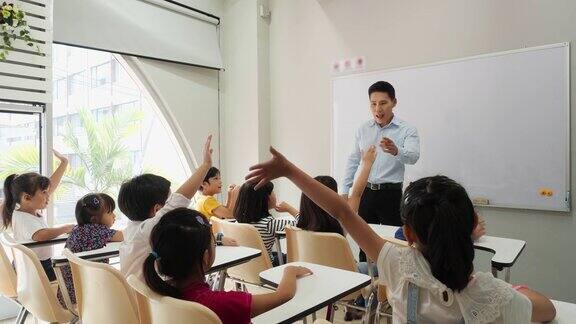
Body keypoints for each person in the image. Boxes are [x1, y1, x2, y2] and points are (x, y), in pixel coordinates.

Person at [246, 147, 556, 323]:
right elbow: (547, 309)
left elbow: (342, 212)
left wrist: (289, 170)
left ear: (407, 233)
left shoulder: (398, 266)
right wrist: (514, 290)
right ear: (472, 224)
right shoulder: (494, 296)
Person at [142, 207, 312, 324]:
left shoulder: (156, 290)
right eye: (214, 242)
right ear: (206, 257)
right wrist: (290, 269)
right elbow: (283, 295)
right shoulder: (223, 303)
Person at [118, 135, 236, 279]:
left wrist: (218, 238)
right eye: (168, 200)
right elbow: (180, 199)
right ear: (157, 210)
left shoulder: (131, 230)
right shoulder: (145, 231)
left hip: (133, 297)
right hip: (149, 300)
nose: (171, 203)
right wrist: (206, 165)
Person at [342, 81, 420, 261]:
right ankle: (368, 284)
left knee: (393, 245)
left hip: (391, 195)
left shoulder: (406, 130)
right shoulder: (363, 129)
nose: (378, 108)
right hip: (366, 193)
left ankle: (388, 287)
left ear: (394, 102)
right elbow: (353, 160)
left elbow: (414, 156)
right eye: (373, 103)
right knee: (364, 245)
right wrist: (345, 191)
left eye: (383, 103)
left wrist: (396, 150)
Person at [2, 150, 74, 281]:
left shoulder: (27, 209)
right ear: (27, 198)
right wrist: (65, 228)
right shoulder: (23, 217)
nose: (48, 196)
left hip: (35, 263)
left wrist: (64, 163)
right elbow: (41, 235)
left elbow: (49, 186)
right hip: (36, 267)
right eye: (45, 193)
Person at [57, 193, 123, 306]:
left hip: (68, 293)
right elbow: (124, 235)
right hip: (87, 296)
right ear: (94, 220)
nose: (114, 216)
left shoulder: (78, 229)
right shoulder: (98, 231)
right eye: (110, 212)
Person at [233, 181, 299, 265]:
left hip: (244, 267)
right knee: (292, 256)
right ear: (267, 198)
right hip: (266, 269)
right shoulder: (269, 224)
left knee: (277, 254)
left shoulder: (237, 222)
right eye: (273, 192)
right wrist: (289, 208)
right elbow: (304, 223)